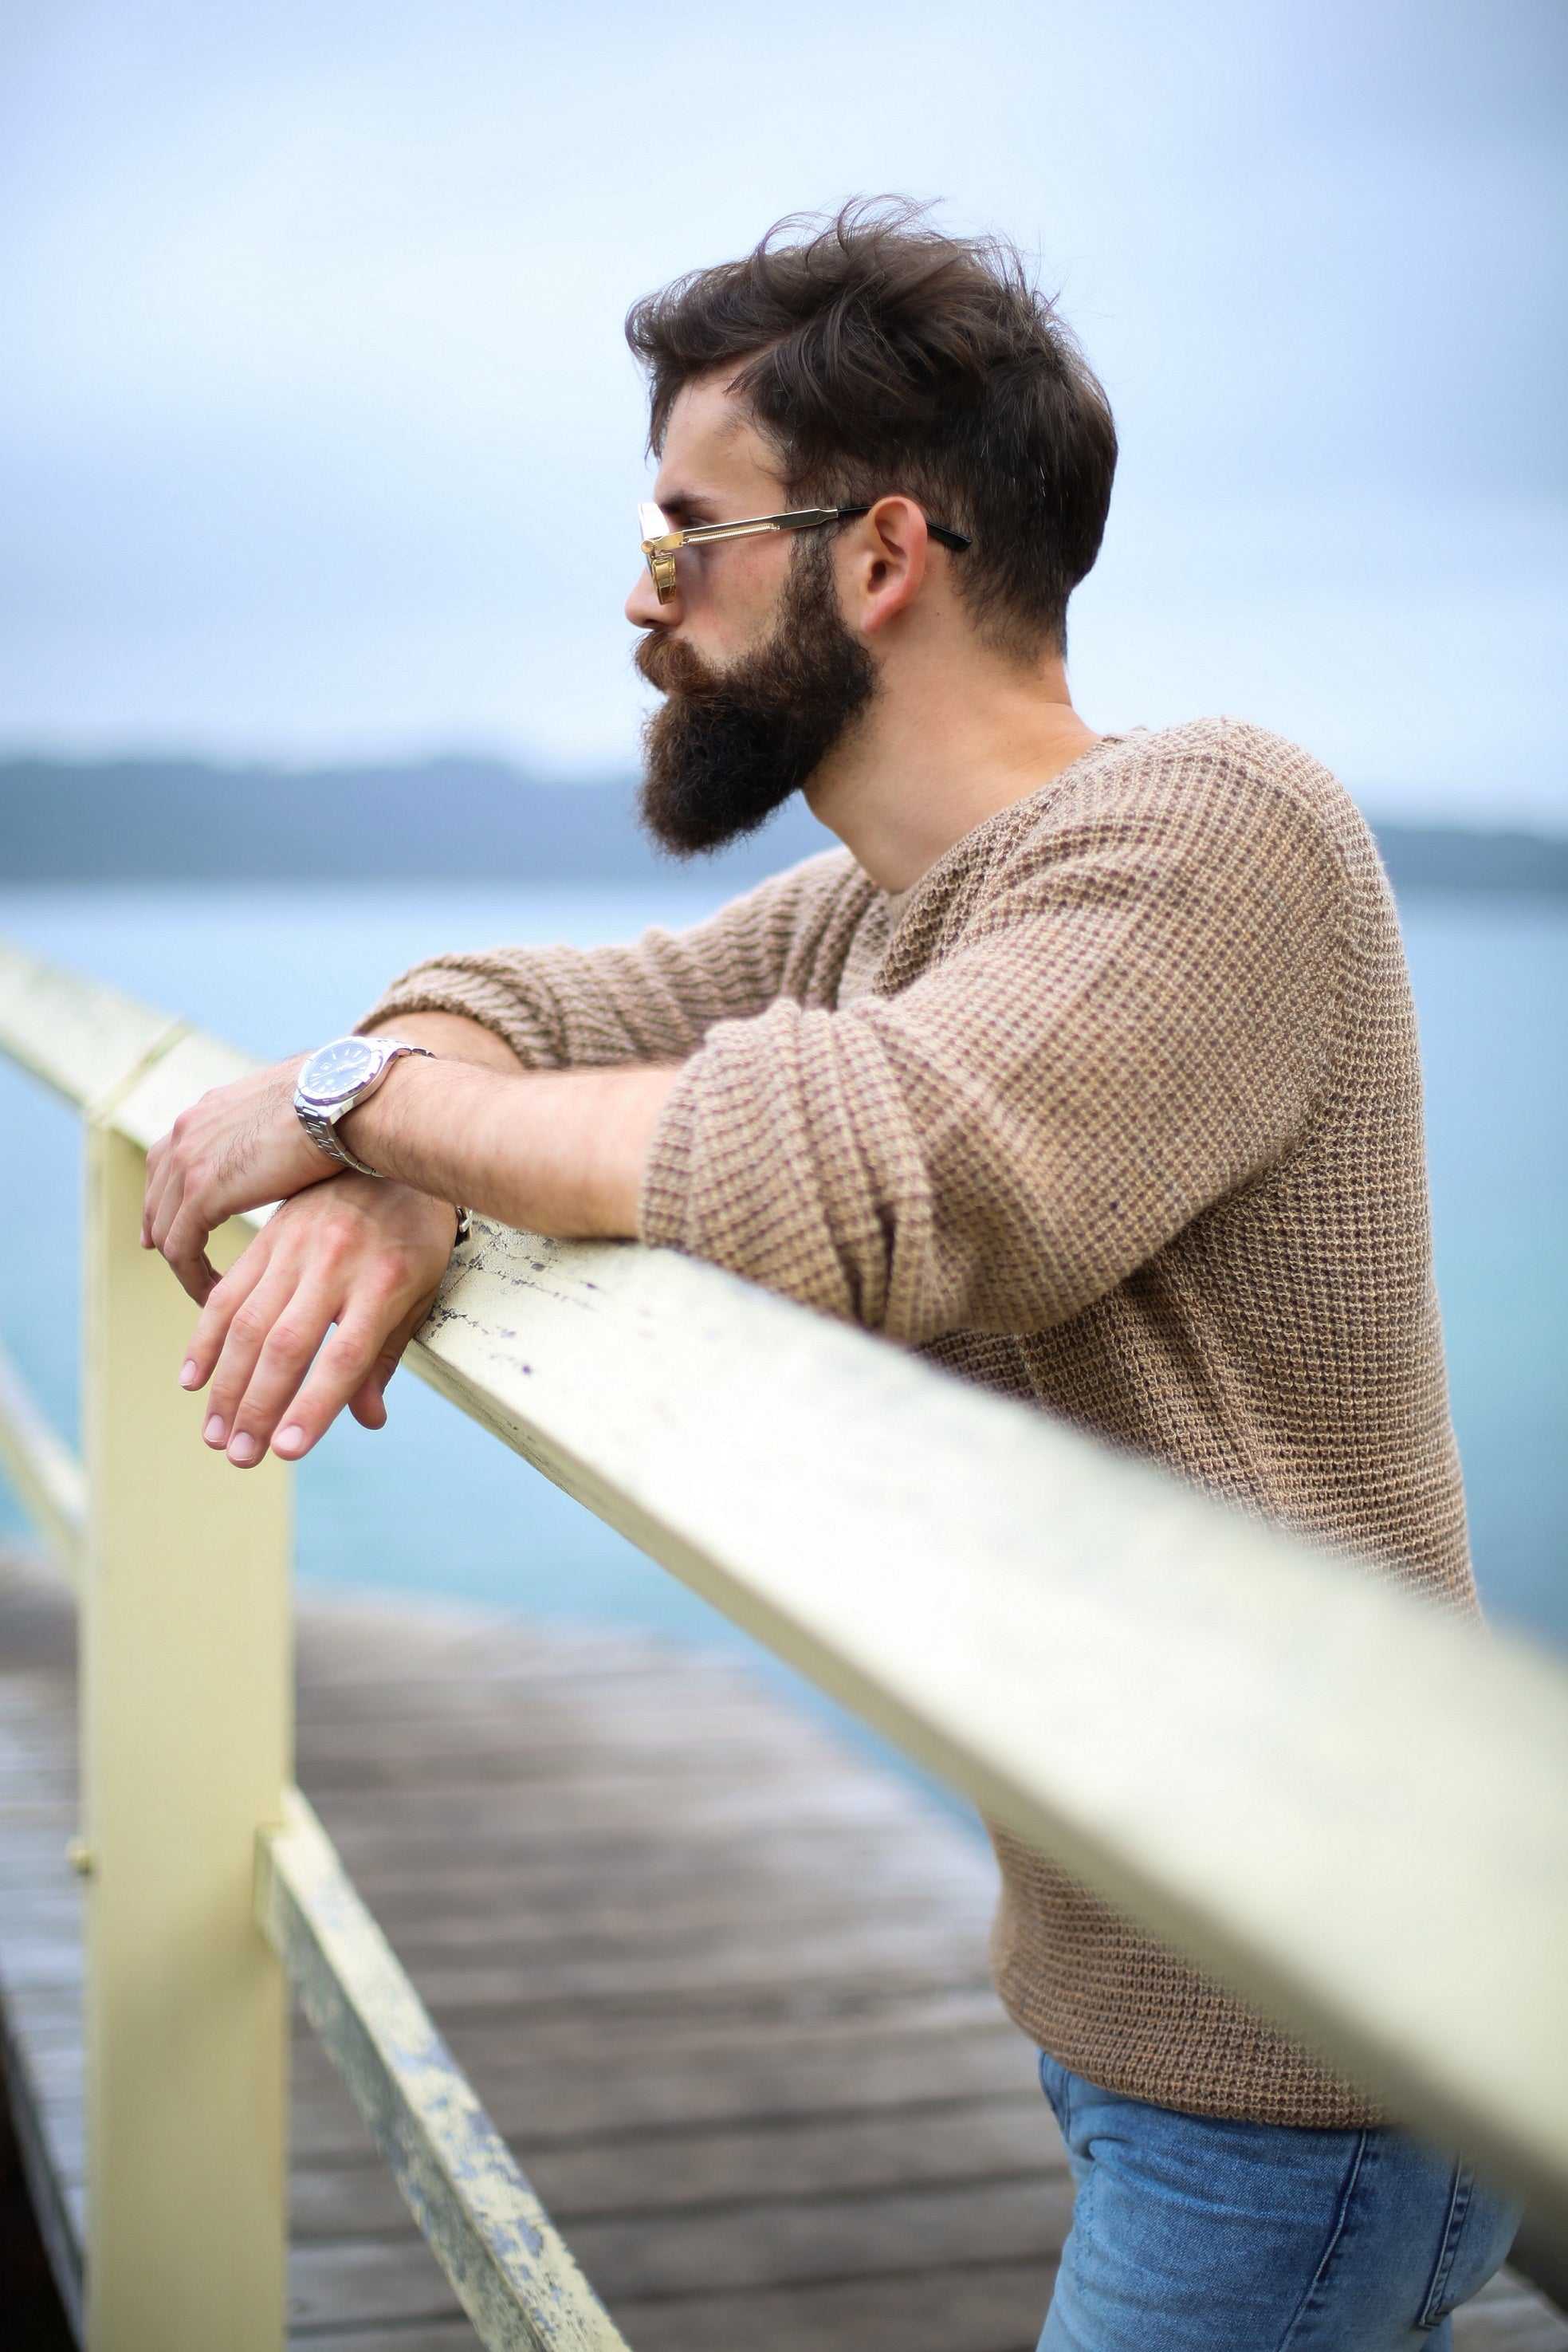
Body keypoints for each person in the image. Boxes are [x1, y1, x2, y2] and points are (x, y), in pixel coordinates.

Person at [140, 195, 1525, 2345]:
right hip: (1139, 2012)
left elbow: (856, 1180)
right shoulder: (883, 919)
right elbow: (520, 1002)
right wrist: (405, 1138)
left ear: (879, 560)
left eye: (691, 537)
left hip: (1306, 2058)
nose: (640, 600)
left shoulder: (1220, 833)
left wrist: (364, 1110)